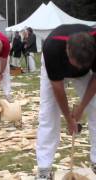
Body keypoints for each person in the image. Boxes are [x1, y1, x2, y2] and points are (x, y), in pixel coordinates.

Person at [36, 24, 96, 179]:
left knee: (95, 109)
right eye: (75, 64)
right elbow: (58, 89)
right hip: (54, 65)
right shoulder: (52, 49)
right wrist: (69, 119)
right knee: (48, 114)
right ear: (67, 50)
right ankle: (44, 169)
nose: (76, 69)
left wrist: (82, 107)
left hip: (86, 74)